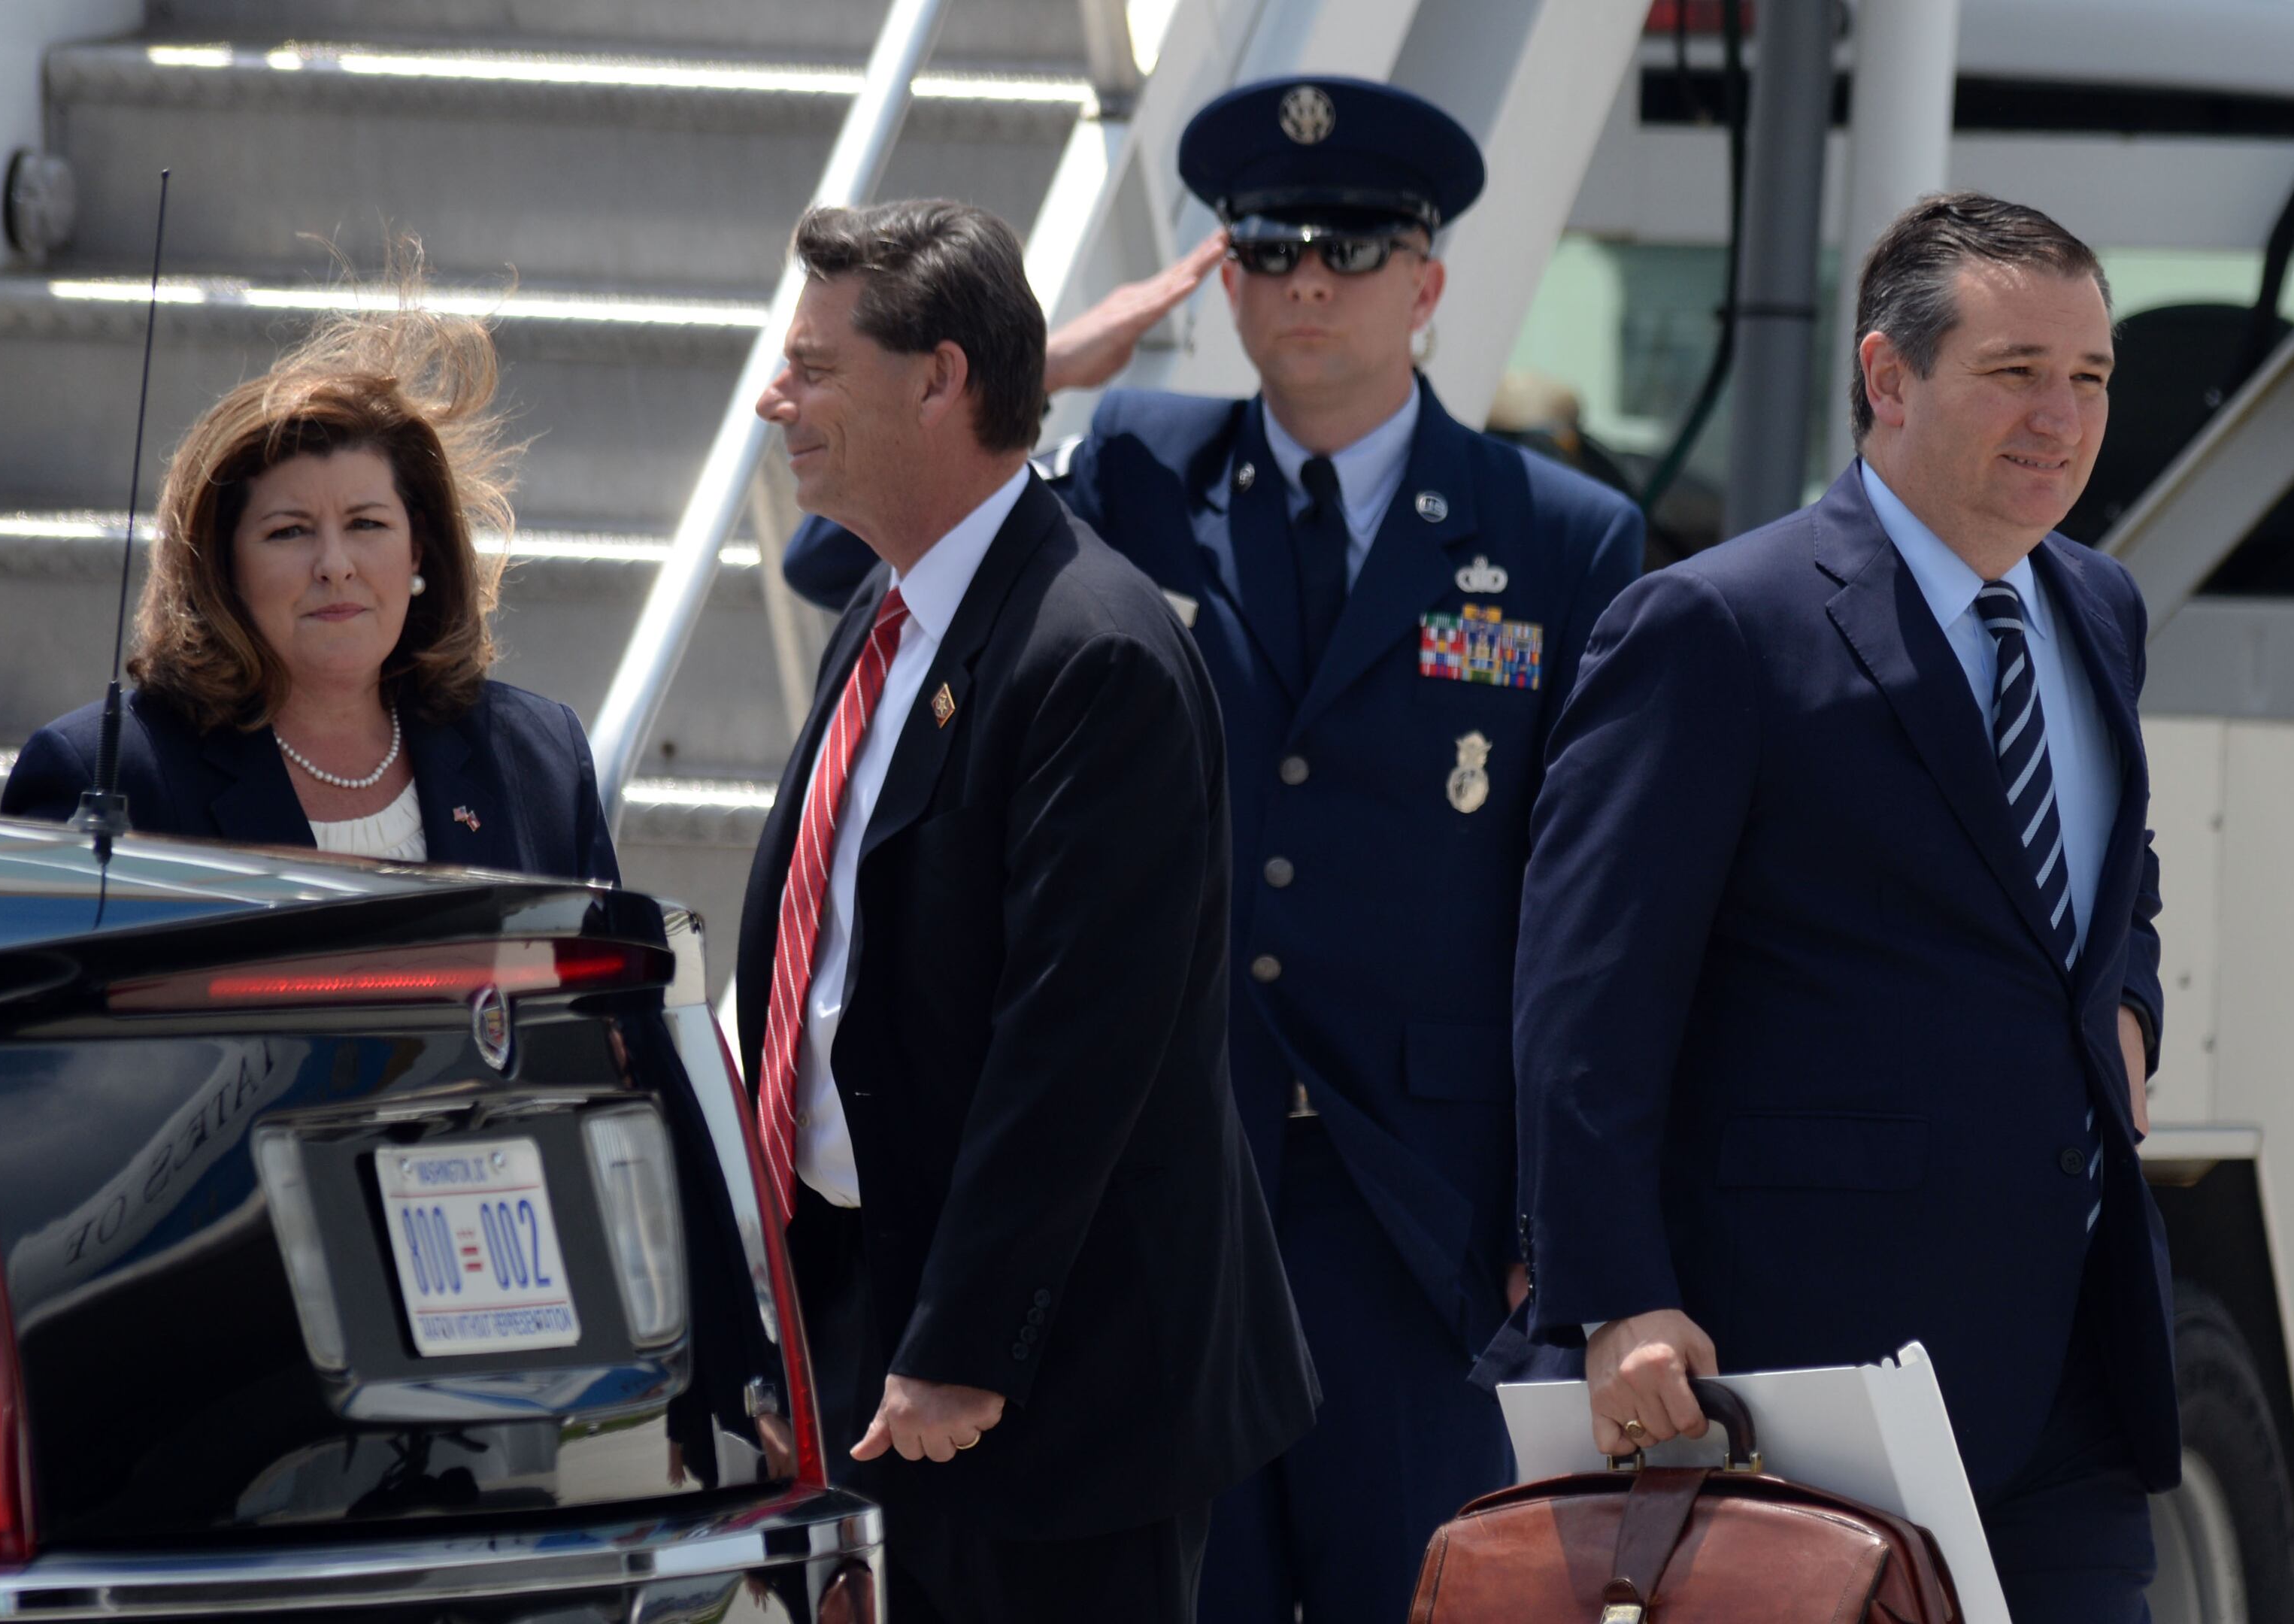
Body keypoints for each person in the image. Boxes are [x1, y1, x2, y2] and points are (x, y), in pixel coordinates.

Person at [785, 77, 1646, 1624]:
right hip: (1166, 1189)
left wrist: (1554, 1226)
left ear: (1431, 281)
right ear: (1224, 276)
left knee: (1414, 1591)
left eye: (1357, 245)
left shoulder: (1558, 533)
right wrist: (1030, 371)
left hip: (1414, 1204)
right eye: (1268, 244)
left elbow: (1579, 908)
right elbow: (835, 545)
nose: (1309, 278)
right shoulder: (1136, 465)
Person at [1512, 192, 2175, 1624]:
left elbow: (2118, 880)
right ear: (1888, 377)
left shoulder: (2099, 608)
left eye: (2092, 379)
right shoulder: (1717, 627)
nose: (2062, 418)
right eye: (2015, 375)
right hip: (1814, 1375)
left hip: (2074, 1363)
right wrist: (1612, 1295)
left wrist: (2126, 1017)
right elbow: (1589, 995)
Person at [735, 196, 1316, 1624]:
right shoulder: (890, 623)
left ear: (937, 378)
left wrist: (962, 1347)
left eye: (813, 365)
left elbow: (1077, 1043)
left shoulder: (1090, 650)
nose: (775, 396)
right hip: (883, 1338)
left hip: (1044, 1397)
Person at [2, 301, 618, 881]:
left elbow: (619, 991)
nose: (335, 565)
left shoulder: (538, 756)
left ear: (418, 551)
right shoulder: (104, 774)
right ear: (223, 566)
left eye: (367, 525)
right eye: (290, 532)